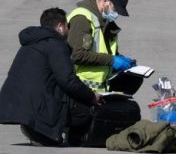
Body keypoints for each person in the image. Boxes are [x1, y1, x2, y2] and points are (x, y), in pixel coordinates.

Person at [0, 8, 102, 146]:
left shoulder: (31, 42)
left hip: (18, 105)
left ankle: (36, 128)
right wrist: (91, 96)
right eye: (68, 26)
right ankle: (68, 137)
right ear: (60, 26)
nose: (68, 30)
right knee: (86, 110)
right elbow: (67, 81)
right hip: (37, 107)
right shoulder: (56, 44)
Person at [67, 0, 136, 92]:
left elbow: (103, 51)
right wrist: (112, 60)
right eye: (115, 9)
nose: (116, 14)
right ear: (105, 1)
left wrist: (122, 59)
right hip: (81, 89)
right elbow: (77, 55)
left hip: (100, 90)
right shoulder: (82, 19)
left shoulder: (105, 22)